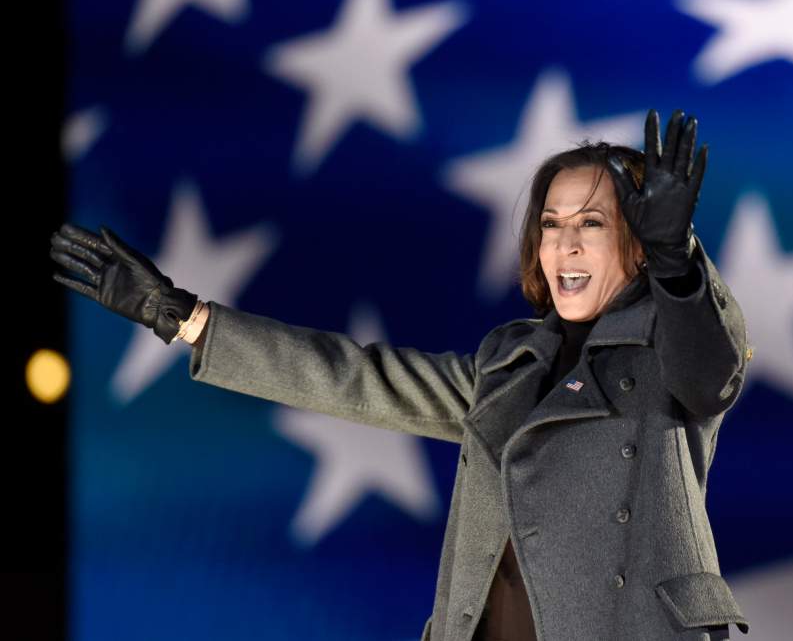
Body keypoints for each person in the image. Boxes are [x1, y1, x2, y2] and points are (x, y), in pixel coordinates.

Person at [50, 108, 752, 640]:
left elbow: (710, 370)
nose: (564, 242)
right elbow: (355, 377)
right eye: (549, 222)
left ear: (636, 241)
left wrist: (676, 258)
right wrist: (182, 317)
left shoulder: (674, 340)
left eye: (592, 223)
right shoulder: (508, 362)